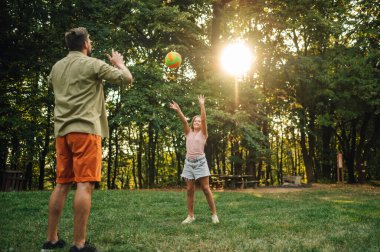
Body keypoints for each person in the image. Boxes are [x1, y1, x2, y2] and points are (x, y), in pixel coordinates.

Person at [41, 27, 133, 252]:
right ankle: (79, 245)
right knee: (84, 184)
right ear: (85, 44)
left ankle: (51, 239)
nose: (90, 43)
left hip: (62, 133)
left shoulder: (56, 67)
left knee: (62, 184)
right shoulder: (92, 64)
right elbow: (126, 78)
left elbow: (52, 86)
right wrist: (118, 63)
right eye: (90, 40)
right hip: (85, 132)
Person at [169, 95, 219, 224]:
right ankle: (190, 216)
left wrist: (202, 104)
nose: (197, 122)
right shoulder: (188, 133)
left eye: (198, 121)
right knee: (189, 190)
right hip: (189, 163)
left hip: (201, 163)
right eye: (195, 121)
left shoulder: (204, 134)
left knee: (206, 189)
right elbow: (184, 121)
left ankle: (214, 215)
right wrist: (178, 110)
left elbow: (204, 119)